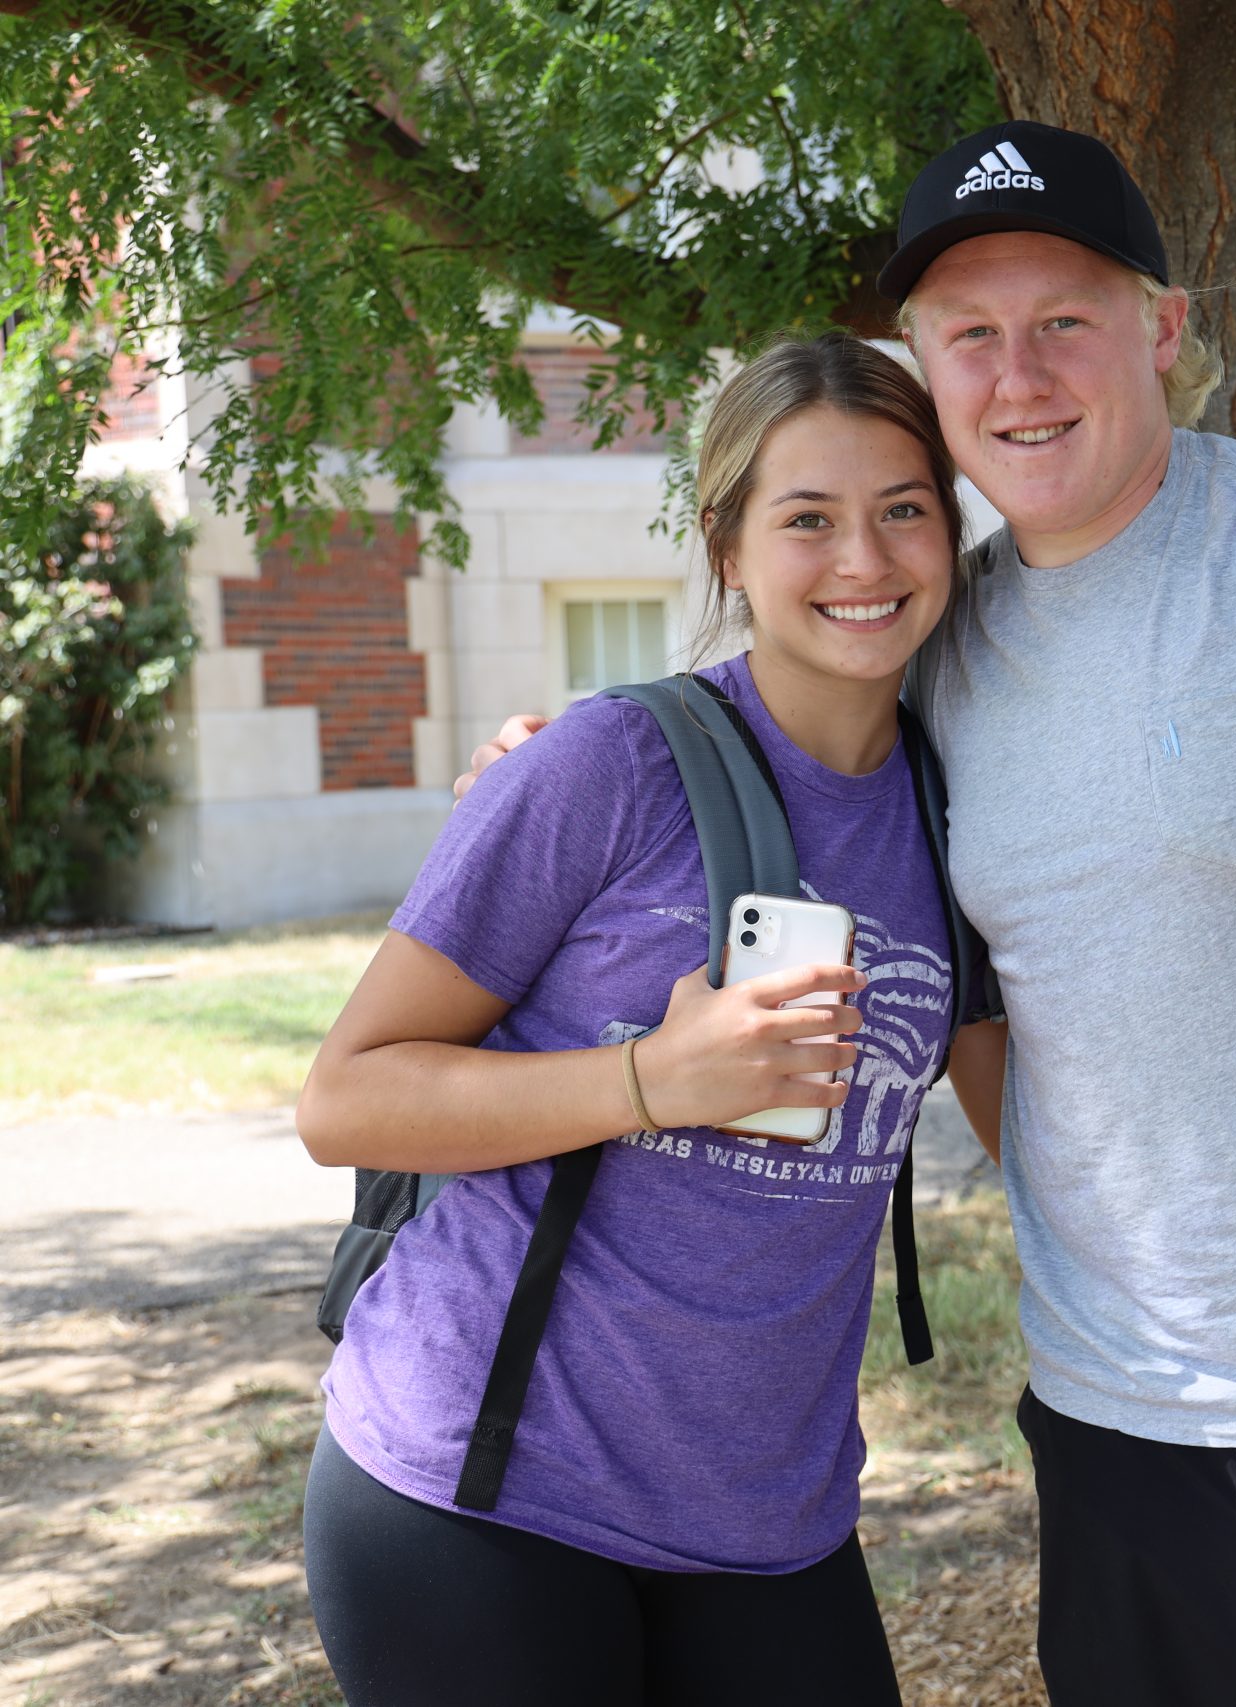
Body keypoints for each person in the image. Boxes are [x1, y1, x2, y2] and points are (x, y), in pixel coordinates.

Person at [464, 122, 1236, 1707]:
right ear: (921, 359)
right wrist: (546, 767)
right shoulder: (940, 644)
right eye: (969, 335)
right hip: (1121, 1440)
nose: (1019, 375)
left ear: (1165, 330)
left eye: (1065, 320)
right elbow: (824, 798)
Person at [299, 332, 1002, 1707]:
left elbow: (1038, 1124)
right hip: (488, 1497)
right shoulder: (608, 764)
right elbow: (346, 1099)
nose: (863, 559)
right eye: (808, 519)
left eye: (902, 510)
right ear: (729, 548)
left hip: (770, 1519)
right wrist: (648, 1081)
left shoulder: (960, 805)